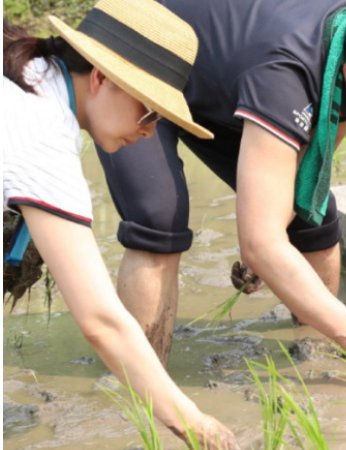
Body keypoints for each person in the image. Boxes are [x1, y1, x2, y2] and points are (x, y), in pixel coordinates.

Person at [94, 0, 346, 391]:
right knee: (159, 218)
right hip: (138, 51)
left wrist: (270, 234)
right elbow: (262, 243)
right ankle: (141, 386)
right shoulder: (287, 74)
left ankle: (315, 359)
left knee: (312, 216)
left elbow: (310, 170)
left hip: (222, 75)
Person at [2, 0, 239, 448]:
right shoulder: (41, 134)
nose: (150, 132)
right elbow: (102, 321)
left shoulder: (29, 76)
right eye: (149, 112)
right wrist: (198, 425)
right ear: (100, 78)